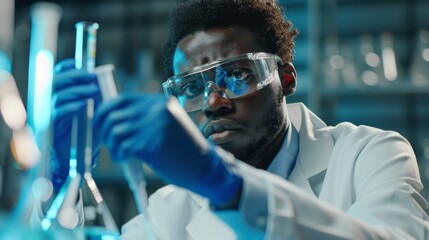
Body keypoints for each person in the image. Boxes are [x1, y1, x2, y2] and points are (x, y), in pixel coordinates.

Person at [43, 0, 429, 239]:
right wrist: (63, 179)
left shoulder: (371, 154)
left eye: (237, 76)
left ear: (286, 79)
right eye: (192, 89)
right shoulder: (171, 207)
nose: (213, 102)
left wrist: (225, 184)